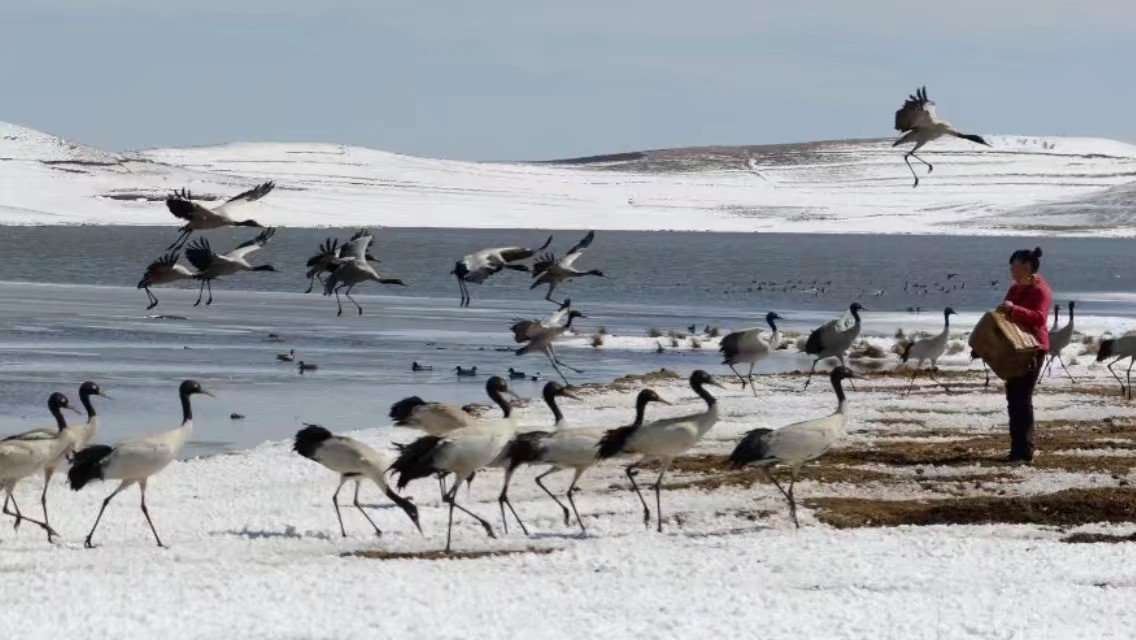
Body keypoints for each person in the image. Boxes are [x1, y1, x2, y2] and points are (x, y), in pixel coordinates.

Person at [997, 247, 1052, 463]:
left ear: (1027, 267)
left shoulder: (1041, 291)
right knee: (1013, 397)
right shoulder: (1014, 289)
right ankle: (1016, 450)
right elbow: (1004, 318)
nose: (1011, 270)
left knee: (1022, 398)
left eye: (1015, 266)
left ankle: (1025, 450)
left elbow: (1039, 318)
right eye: (1011, 266)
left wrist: (1014, 310)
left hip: (1033, 349)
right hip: (1015, 348)